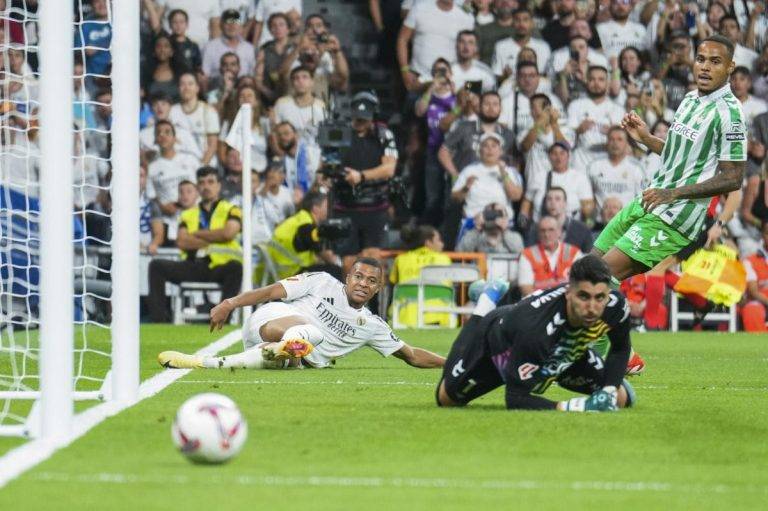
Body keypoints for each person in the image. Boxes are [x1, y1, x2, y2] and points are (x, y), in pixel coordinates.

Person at [594, 35, 747, 281]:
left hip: (675, 217)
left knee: (600, 277)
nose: (705, 67)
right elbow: (678, 155)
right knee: (589, 266)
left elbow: (734, 178)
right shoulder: (690, 99)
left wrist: (674, 193)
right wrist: (646, 138)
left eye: (715, 61)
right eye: (701, 59)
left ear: (730, 67)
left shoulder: (730, 113)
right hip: (650, 199)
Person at [158, 258, 446, 370]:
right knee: (312, 332)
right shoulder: (321, 281)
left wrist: (452, 363)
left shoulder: (372, 325)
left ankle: (203, 363)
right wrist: (230, 303)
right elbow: (271, 291)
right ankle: (292, 345)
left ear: (378, 288)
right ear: (348, 278)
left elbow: (411, 355)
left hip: (288, 357)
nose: (363, 284)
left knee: (282, 358)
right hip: (270, 320)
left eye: (371, 281)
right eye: (358, 277)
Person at [436, 255, 636, 412]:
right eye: (583, 297)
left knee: (619, 398)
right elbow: (516, 398)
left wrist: (609, 390)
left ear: (607, 295)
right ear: (569, 292)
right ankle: (486, 299)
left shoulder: (616, 306)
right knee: (446, 398)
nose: (592, 307)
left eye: (599, 298)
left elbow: (621, 348)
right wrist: (577, 407)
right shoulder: (534, 330)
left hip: (563, 352)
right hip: (499, 349)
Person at [147, 167, 243, 323]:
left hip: (220, 266)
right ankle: (159, 322)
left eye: (210, 182)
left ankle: (222, 320)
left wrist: (196, 234)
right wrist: (216, 236)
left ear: (219, 185)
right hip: (194, 265)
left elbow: (228, 233)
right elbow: (182, 241)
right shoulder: (188, 214)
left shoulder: (231, 209)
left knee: (236, 267)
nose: (206, 186)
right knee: (156, 266)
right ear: (198, 187)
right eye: (202, 183)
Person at [332, 92, 398, 272]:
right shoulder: (339, 132)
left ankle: (374, 292)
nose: (361, 122)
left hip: (375, 207)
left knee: (373, 259)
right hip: (345, 206)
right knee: (348, 262)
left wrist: (361, 176)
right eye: (358, 118)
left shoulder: (384, 134)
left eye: (365, 119)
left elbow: (389, 168)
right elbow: (328, 163)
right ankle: (349, 291)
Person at [397, 0, 475, 91]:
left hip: (450, 83)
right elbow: (402, 39)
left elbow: (471, 51)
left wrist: (467, 88)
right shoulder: (420, 8)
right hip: (418, 80)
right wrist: (405, 71)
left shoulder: (466, 16)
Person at [266, 191, 341, 280]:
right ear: (315, 208)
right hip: (291, 272)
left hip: (278, 268)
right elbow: (328, 257)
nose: (329, 210)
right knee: (337, 271)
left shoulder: (299, 218)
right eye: (326, 206)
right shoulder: (308, 226)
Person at [451, 132, 523, 224]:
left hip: (502, 222)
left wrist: (503, 173)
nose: (490, 149)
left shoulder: (510, 171)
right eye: (485, 146)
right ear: (480, 151)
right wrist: (466, 187)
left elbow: (516, 196)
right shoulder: (468, 170)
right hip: (473, 222)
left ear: (501, 151)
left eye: (494, 146)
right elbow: (455, 198)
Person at [519, 141, 594, 226]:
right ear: (549, 157)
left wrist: (588, 223)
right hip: (541, 227)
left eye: (562, 153)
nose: (558, 158)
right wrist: (523, 218)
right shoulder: (539, 177)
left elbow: (588, 206)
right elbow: (527, 201)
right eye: (554, 154)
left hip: (569, 227)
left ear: (568, 156)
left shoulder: (580, 178)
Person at [146, 120, 200, 218]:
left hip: (195, 216)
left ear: (175, 138)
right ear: (155, 140)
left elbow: (202, 184)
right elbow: (151, 195)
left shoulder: (191, 159)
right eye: (158, 133)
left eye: (167, 132)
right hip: (169, 220)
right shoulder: (151, 167)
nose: (162, 135)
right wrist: (162, 207)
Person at [518, 216, 582, 297]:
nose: (546, 234)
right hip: (538, 302)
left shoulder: (574, 253)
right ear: (538, 233)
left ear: (559, 232)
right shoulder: (527, 255)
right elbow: (526, 288)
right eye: (542, 231)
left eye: (551, 230)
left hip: (566, 300)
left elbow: (580, 284)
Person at [588, 126, 645, 213]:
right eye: (612, 139)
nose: (615, 143)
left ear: (626, 144)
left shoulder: (636, 168)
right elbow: (588, 196)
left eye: (619, 139)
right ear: (607, 142)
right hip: (600, 219)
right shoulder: (594, 166)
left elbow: (641, 200)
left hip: (626, 219)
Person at [273, 66, 326, 146]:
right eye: (296, 78)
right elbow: (275, 133)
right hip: (287, 149)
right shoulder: (281, 103)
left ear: (312, 82)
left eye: (305, 77)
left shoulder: (321, 106)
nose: (300, 81)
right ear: (292, 83)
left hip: (313, 149)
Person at [492, 8, 550, 79]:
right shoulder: (501, 46)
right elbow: (496, 75)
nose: (521, 24)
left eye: (525, 20)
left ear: (532, 23)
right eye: (517, 20)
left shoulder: (543, 47)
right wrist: (505, 77)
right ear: (512, 23)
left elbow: (547, 75)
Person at [201, 9, 256, 79]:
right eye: (227, 22)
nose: (231, 26)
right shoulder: (210, 47)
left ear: (240, 26)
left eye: (235, 22)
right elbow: (205, 76)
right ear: (221, 25)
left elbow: (253, 75)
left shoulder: (249, 48)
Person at [456, 202, 523, 256]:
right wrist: (476, 230)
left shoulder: (513, 236)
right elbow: (460, 253)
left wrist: (505, 231)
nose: (494, 218)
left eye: (499, 214)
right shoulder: (478, 235)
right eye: (490, 214)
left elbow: (520, 252)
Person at [741, 222, 768, 332]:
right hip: (761, 302)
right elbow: (753, 292)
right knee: (752, 309)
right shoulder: (750, 261)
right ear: (762, 235)